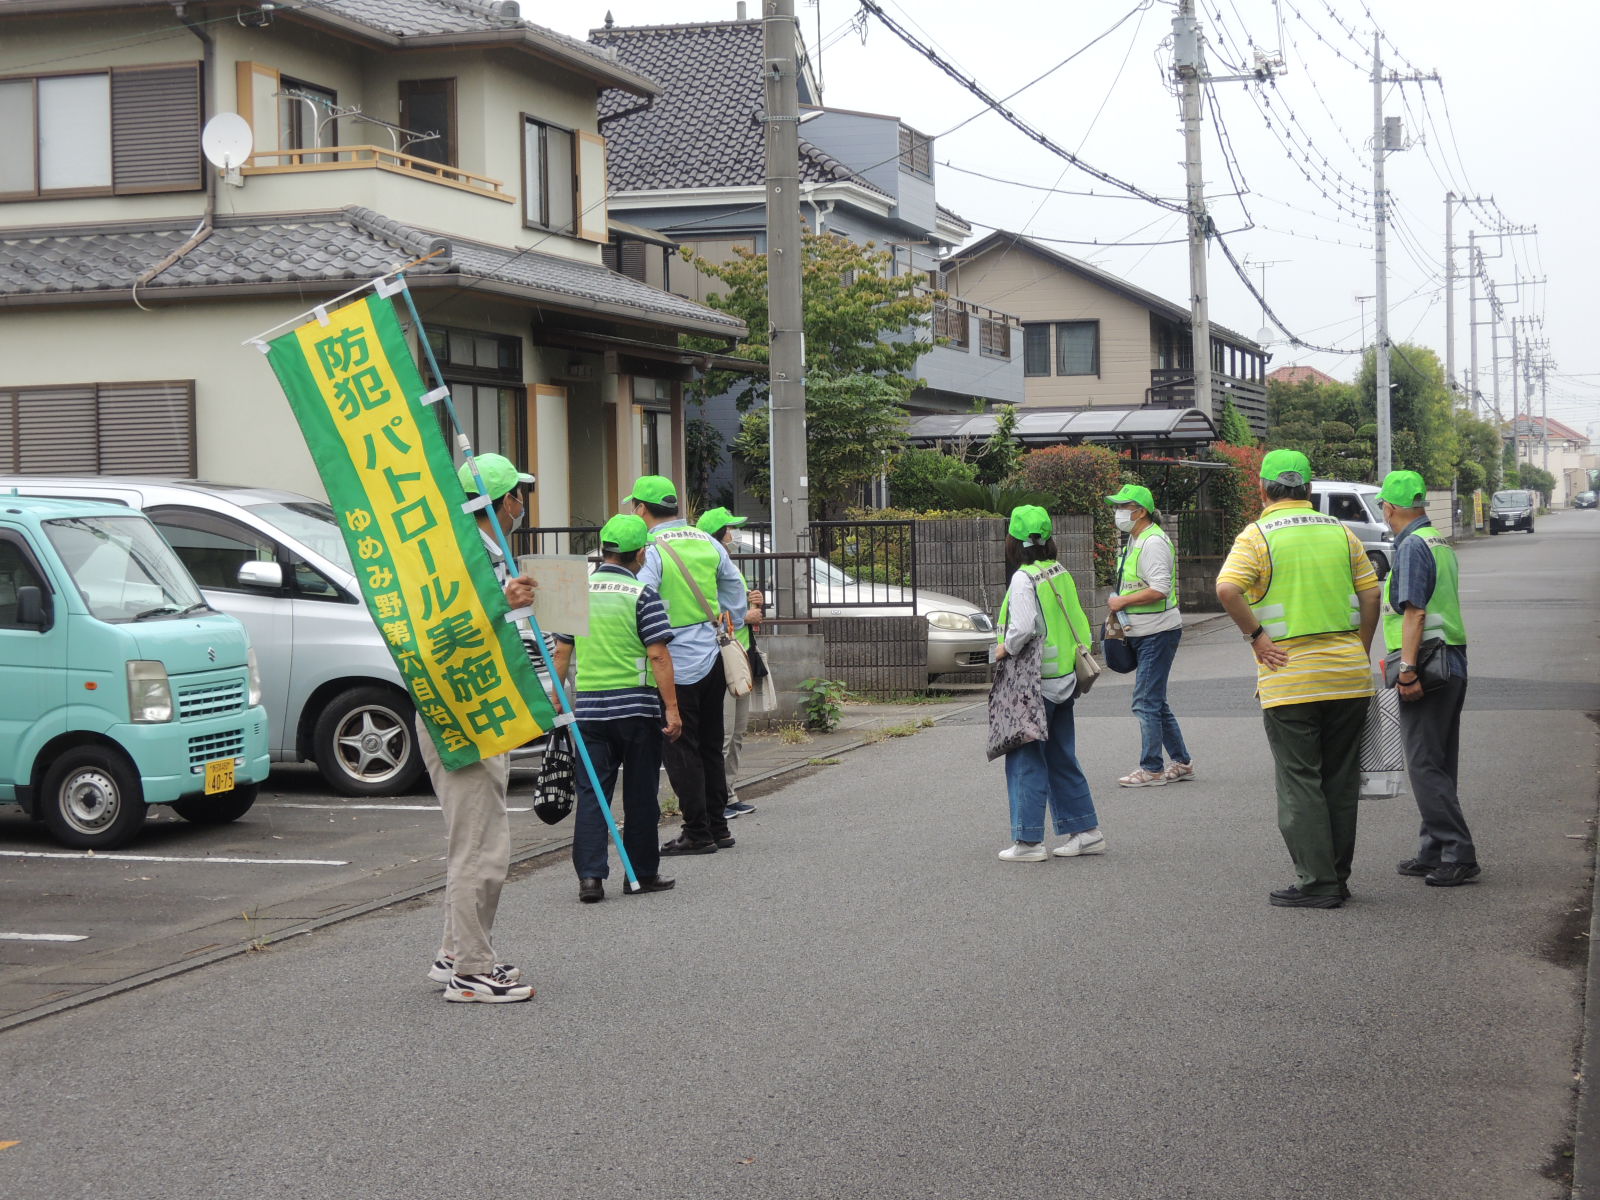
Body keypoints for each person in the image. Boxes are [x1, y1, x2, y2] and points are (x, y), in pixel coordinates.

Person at [1215, 449, 1380, 909]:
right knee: (1340, 779)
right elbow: (1371, 595)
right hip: (1348, 676)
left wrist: (1257, 636)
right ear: (1308, 490)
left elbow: (1227, 588)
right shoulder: (1342, 532)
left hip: (1290, 679)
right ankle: (1337, 876)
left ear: (1263, 489)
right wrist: (1358, 649)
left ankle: (1318, 882)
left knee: (1300, 780)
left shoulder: (1257, 536)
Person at [423, 453, 538, 1003]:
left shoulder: (466, 553)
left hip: (471, 709)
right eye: (519, 494)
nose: (523, 505)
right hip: (464, 712)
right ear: (500, 502)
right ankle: (471, 971)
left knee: (472, 840)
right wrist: (501, 604)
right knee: (479, 845)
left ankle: (456, 954)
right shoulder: (467, 559)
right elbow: (447, 631)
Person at [549, 514, 682, 904]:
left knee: (592, 792)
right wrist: (672, 710)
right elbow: (658, 655)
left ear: (605, 550)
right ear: (639, 552)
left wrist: (558, 699)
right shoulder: (642, 595)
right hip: (637, 710)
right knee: (640, 792)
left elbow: (562, 651)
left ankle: (590, 878)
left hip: (590, 709)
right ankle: (641, 873)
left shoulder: (579, 592)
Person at [629, 476, 747, 856]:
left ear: (642, 509)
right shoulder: (707, 540)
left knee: (681, 747)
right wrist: (734, 620)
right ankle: (719, 825)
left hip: (673, 659)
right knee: (711, 745)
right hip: (712, 653)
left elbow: (640, 596)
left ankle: (697, 831)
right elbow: (734, 587)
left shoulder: (652, 549)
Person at [1376, 469, 1479, 887]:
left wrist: (1407, 670)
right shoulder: (1437, 541)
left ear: (1391, 507)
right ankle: (1434, 849)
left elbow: (1414, 612)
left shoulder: (1412, 547)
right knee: (1438, 761)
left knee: (1422, 762)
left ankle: (1459, 852)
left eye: (1384, 504)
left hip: (1428, 666)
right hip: (1451, 660)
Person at [993, 505, 1106, 862]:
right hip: (1065, 679)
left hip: (1034, 684)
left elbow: (1023, 628)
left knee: (1025, 757)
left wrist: (1003, 647)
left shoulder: (1023, 579)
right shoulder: (1059, 572)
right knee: (1060, 755)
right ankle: (1086, 832)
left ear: (1013, 540)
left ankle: (1028, 843)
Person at [1104, 483, 1193, 788]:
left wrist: (1121, 602)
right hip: (1141, 630)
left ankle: (1151, 768)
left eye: (1123, 507)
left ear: (1140, 511)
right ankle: (1181, 761)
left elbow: (1159, 589)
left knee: (1144, 701)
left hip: (1158, 631)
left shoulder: (1153, 541)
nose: (1117, 512)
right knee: (1155, 701)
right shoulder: (1134, 539)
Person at [696, 506, 764, 821]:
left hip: (741, 654)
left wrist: (754, 609)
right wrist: (744, 615)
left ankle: (729, 792)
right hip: (722, 657)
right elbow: (713, 612)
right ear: (717, 536)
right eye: (729, 531)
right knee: (722, 732)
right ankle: (717, 798)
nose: (733, 537)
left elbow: (741, 613)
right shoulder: (706, 570)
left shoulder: (730, 568)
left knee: (737, 731)